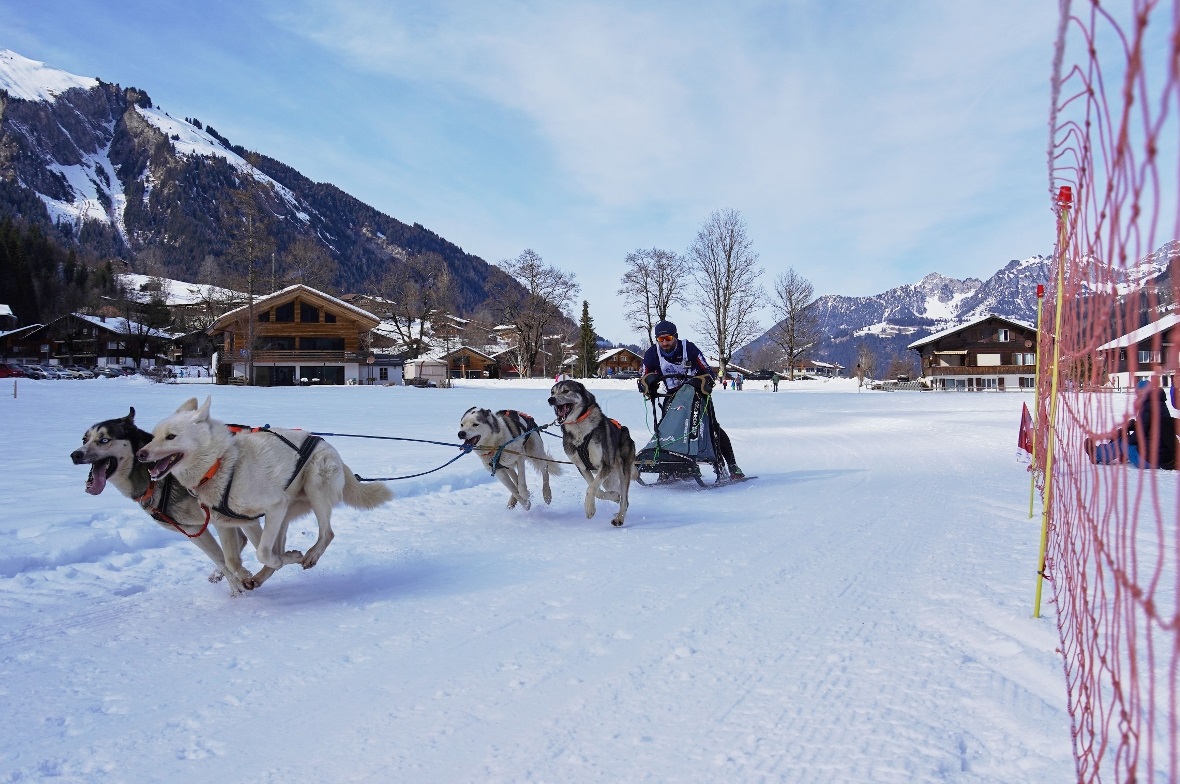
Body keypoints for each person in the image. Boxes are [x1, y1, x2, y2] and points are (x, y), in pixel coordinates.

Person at [638, 320, 743, 478]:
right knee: (666, 428)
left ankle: (732, 465)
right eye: (660, 340)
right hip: (671, 395)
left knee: (712, 428)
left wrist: (701, 380)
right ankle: (668, 467)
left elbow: (708, 371)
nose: (664, 342)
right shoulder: (652, 354)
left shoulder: (689, 348)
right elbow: (644, 377)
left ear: (675, 337)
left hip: (697, 394)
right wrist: (647, 384)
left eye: (668, 338)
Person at [1085, 381, 1176, 469]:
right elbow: (1151, 428)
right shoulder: (1160, 403)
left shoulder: (1147, 406)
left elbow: (1139, 436)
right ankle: (1121, 453)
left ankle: (1096, 454)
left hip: (1148, 460)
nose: (1137, 395)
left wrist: (1125, 437)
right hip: (1164, 457)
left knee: (1122, 442)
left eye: (1138, 392)